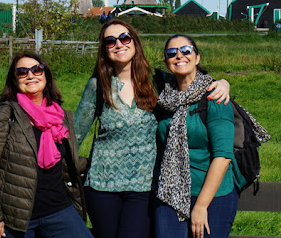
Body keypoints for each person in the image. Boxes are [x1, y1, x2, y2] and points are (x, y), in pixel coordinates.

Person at [74, 20, 229, 238]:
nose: (119, 44)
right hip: (102, 186)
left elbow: (192, 82)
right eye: (110, 41)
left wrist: (222, 83)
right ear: (104, 49)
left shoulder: (157, 82)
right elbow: (74, 135)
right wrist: (71, 168)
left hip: (144, 186)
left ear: (134, 43)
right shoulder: (98, 86)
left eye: (125, 38)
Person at [0, 52, 92, 238]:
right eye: (22, 72)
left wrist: (97, 162)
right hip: (18, 218)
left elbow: (68, 160)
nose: (30, 75)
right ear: (14, 80)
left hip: (59, 210)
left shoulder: (59, 116)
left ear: (46, 76)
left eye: (37, 70)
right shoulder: (5, 116)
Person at [154, 35, 239, 238]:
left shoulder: (214, 97)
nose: (179, 56)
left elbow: (223, 155)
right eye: (171, 53)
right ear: (166, 61)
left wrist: (201, 206)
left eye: (186, 50)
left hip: (212, 195)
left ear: (197, 57)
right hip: (170, 191)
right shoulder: (163, 97)